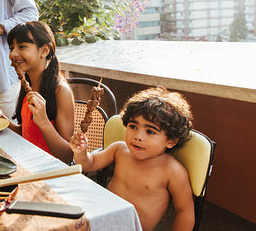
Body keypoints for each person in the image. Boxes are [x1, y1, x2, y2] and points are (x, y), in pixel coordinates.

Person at [70, 87, 195, 231]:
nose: (138, 136)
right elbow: (88, 164)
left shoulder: (173, 171)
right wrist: (80, 152)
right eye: (133, 126)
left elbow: (185, 211)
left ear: (171, 141)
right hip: (101, 219)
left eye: (150, 131)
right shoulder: (119, 149)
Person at [0, 21, 74, 164]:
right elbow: (27, 134)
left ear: (44, 50)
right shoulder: (27, 84)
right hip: (29, 162)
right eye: (11, 48)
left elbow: (67, 156)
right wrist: (0, 118)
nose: (13, 54)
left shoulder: (61, 91)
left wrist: (44, 122)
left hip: (52, 171)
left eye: (22, 47)